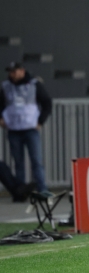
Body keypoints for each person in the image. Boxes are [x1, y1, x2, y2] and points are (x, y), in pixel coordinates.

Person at [0, 62, 52, 197]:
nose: (12, 74)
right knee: (18, 162)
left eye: (14, 71)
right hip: (14, 129)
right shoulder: (6, 86)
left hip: (30, 128)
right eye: (10, 71)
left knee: (36, 161)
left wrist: (41, 121)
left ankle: (42, 189)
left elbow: (46, 102)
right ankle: (20, 191)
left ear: (22, 71)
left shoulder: (34, 84)